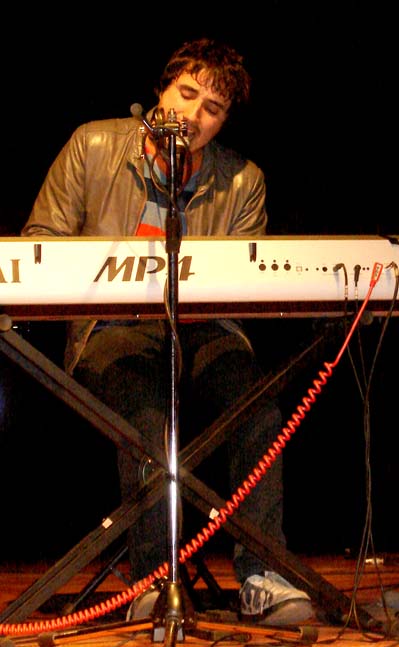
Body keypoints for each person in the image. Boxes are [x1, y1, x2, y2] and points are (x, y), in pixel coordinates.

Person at [21, 38, 313, 626]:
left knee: (257, 406)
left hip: (204, 329)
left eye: (213, 108)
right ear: (162, 87)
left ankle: (262, 576)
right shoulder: (93, 145)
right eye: (187, 93)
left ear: (224, 121)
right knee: (146, 413)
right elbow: (40, 242)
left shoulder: (244, 180)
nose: (194, 114)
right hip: (114, 325)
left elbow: (243, 285)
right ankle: (152, 579)